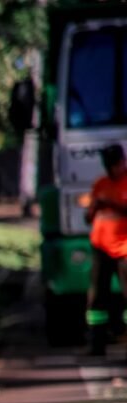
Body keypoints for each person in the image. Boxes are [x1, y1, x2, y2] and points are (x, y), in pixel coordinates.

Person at [84, 142, 127, 356]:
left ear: (122, 162)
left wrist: (110, 202)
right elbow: (88, 217)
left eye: (114, 164)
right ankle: (96, 343)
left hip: (124, 249)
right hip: (100, 247)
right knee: (97, 298)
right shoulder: (100, 184)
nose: (111, 169)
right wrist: (94, 206)